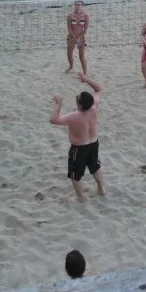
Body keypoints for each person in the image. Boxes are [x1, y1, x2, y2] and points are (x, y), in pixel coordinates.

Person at [49, 72, 106, 202]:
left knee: (75, 174)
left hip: (79, 149)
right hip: (94, 144)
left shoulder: (74, 116)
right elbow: (98, 89)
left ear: (79, 104)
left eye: (77, 98)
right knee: (95, 167)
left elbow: (53, 120)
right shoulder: (94, 107)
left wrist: (58, 104)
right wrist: (87, 80)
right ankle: (102, 189)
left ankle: (81, 197)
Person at [66, 0, 90, 75]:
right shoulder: (70, 16)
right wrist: (74, 38)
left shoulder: (86, 16)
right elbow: (69, 28)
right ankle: (71, 66)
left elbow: (85, 29)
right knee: (69, 54)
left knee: (81, 56)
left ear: (82, 6)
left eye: (79, 5)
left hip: (81, 37)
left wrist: (79, 38)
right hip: (71, 37)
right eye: (75, 5)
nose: (77, 6)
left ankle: (85, 73)